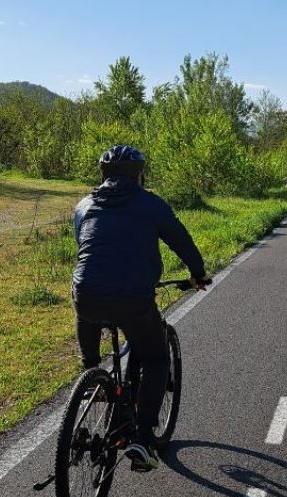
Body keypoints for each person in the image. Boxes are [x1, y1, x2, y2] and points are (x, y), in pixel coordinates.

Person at [72, 144, 208, 472]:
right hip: (133, 298)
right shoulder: (151, 204)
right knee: (157, 359)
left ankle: (91, 375)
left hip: (86, 296)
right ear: (139, 175)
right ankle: (144, 440)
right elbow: (181, 241)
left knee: (88, 307)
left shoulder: (84, 205)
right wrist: (198, 273)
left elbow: (86, 244)